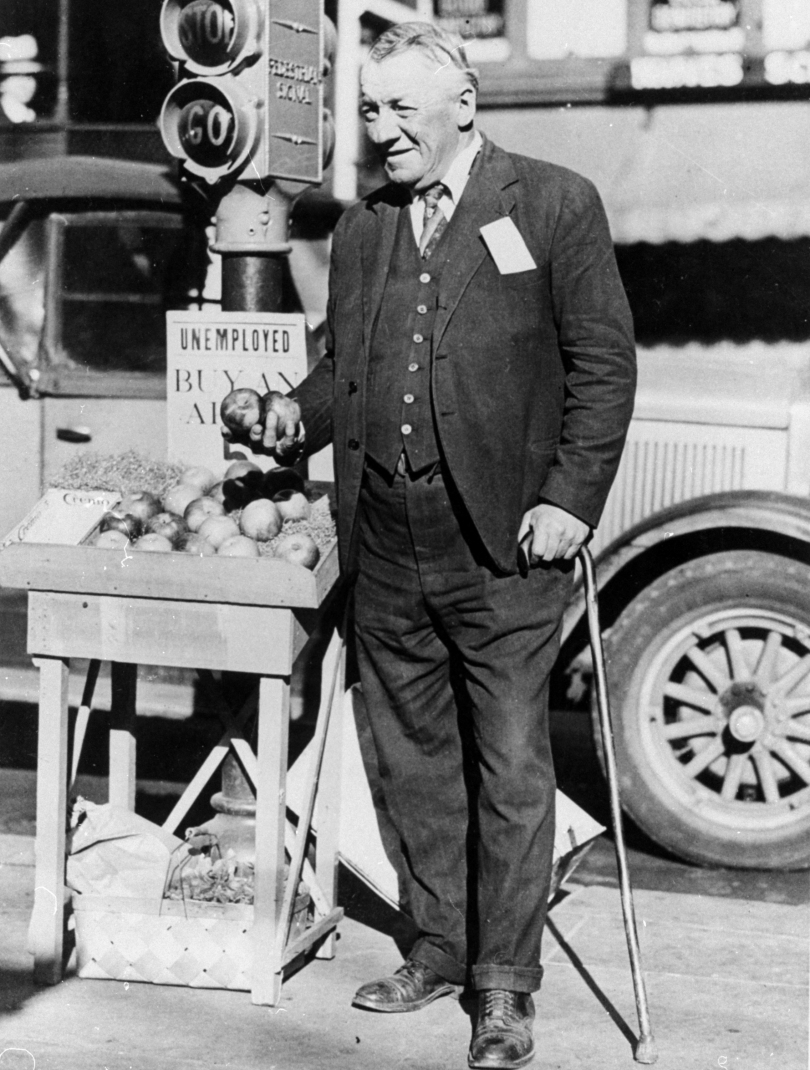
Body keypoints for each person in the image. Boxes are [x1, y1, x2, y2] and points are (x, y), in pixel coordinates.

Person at [231, 22, 636, 1070]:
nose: (382, 128)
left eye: (402, 107)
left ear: (465, 106)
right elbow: (343, 369)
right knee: (406, 757)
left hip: (504, 543)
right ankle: (442, 941)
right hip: (387, 537)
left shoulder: (551, 203)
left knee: (508, 760)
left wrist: (571, 497)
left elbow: (604, 365)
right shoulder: (365, 228)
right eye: (370, 110)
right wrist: (290, 416)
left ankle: (504, 987)